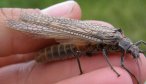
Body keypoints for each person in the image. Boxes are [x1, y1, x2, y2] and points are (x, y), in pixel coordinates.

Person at [0, 1, 145, 84]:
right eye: (131, 50)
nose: (132, 52)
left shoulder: (118, 41)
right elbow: (109, 55)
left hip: (85, 40)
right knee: (78, 52)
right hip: (70, 46)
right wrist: (114, 69)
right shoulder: (113, 41)